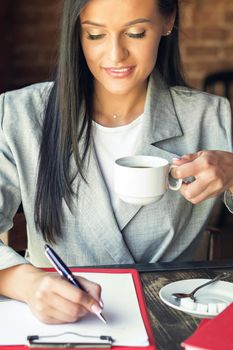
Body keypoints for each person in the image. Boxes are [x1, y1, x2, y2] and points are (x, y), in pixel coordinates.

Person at [0, 0, 232, 325]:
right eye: (95, 35)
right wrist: (27, 284)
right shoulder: (20, 114)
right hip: (61, 327)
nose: (114, 55)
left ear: (167, 22)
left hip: (173, 321)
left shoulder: (210, 117)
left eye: (135, 33)